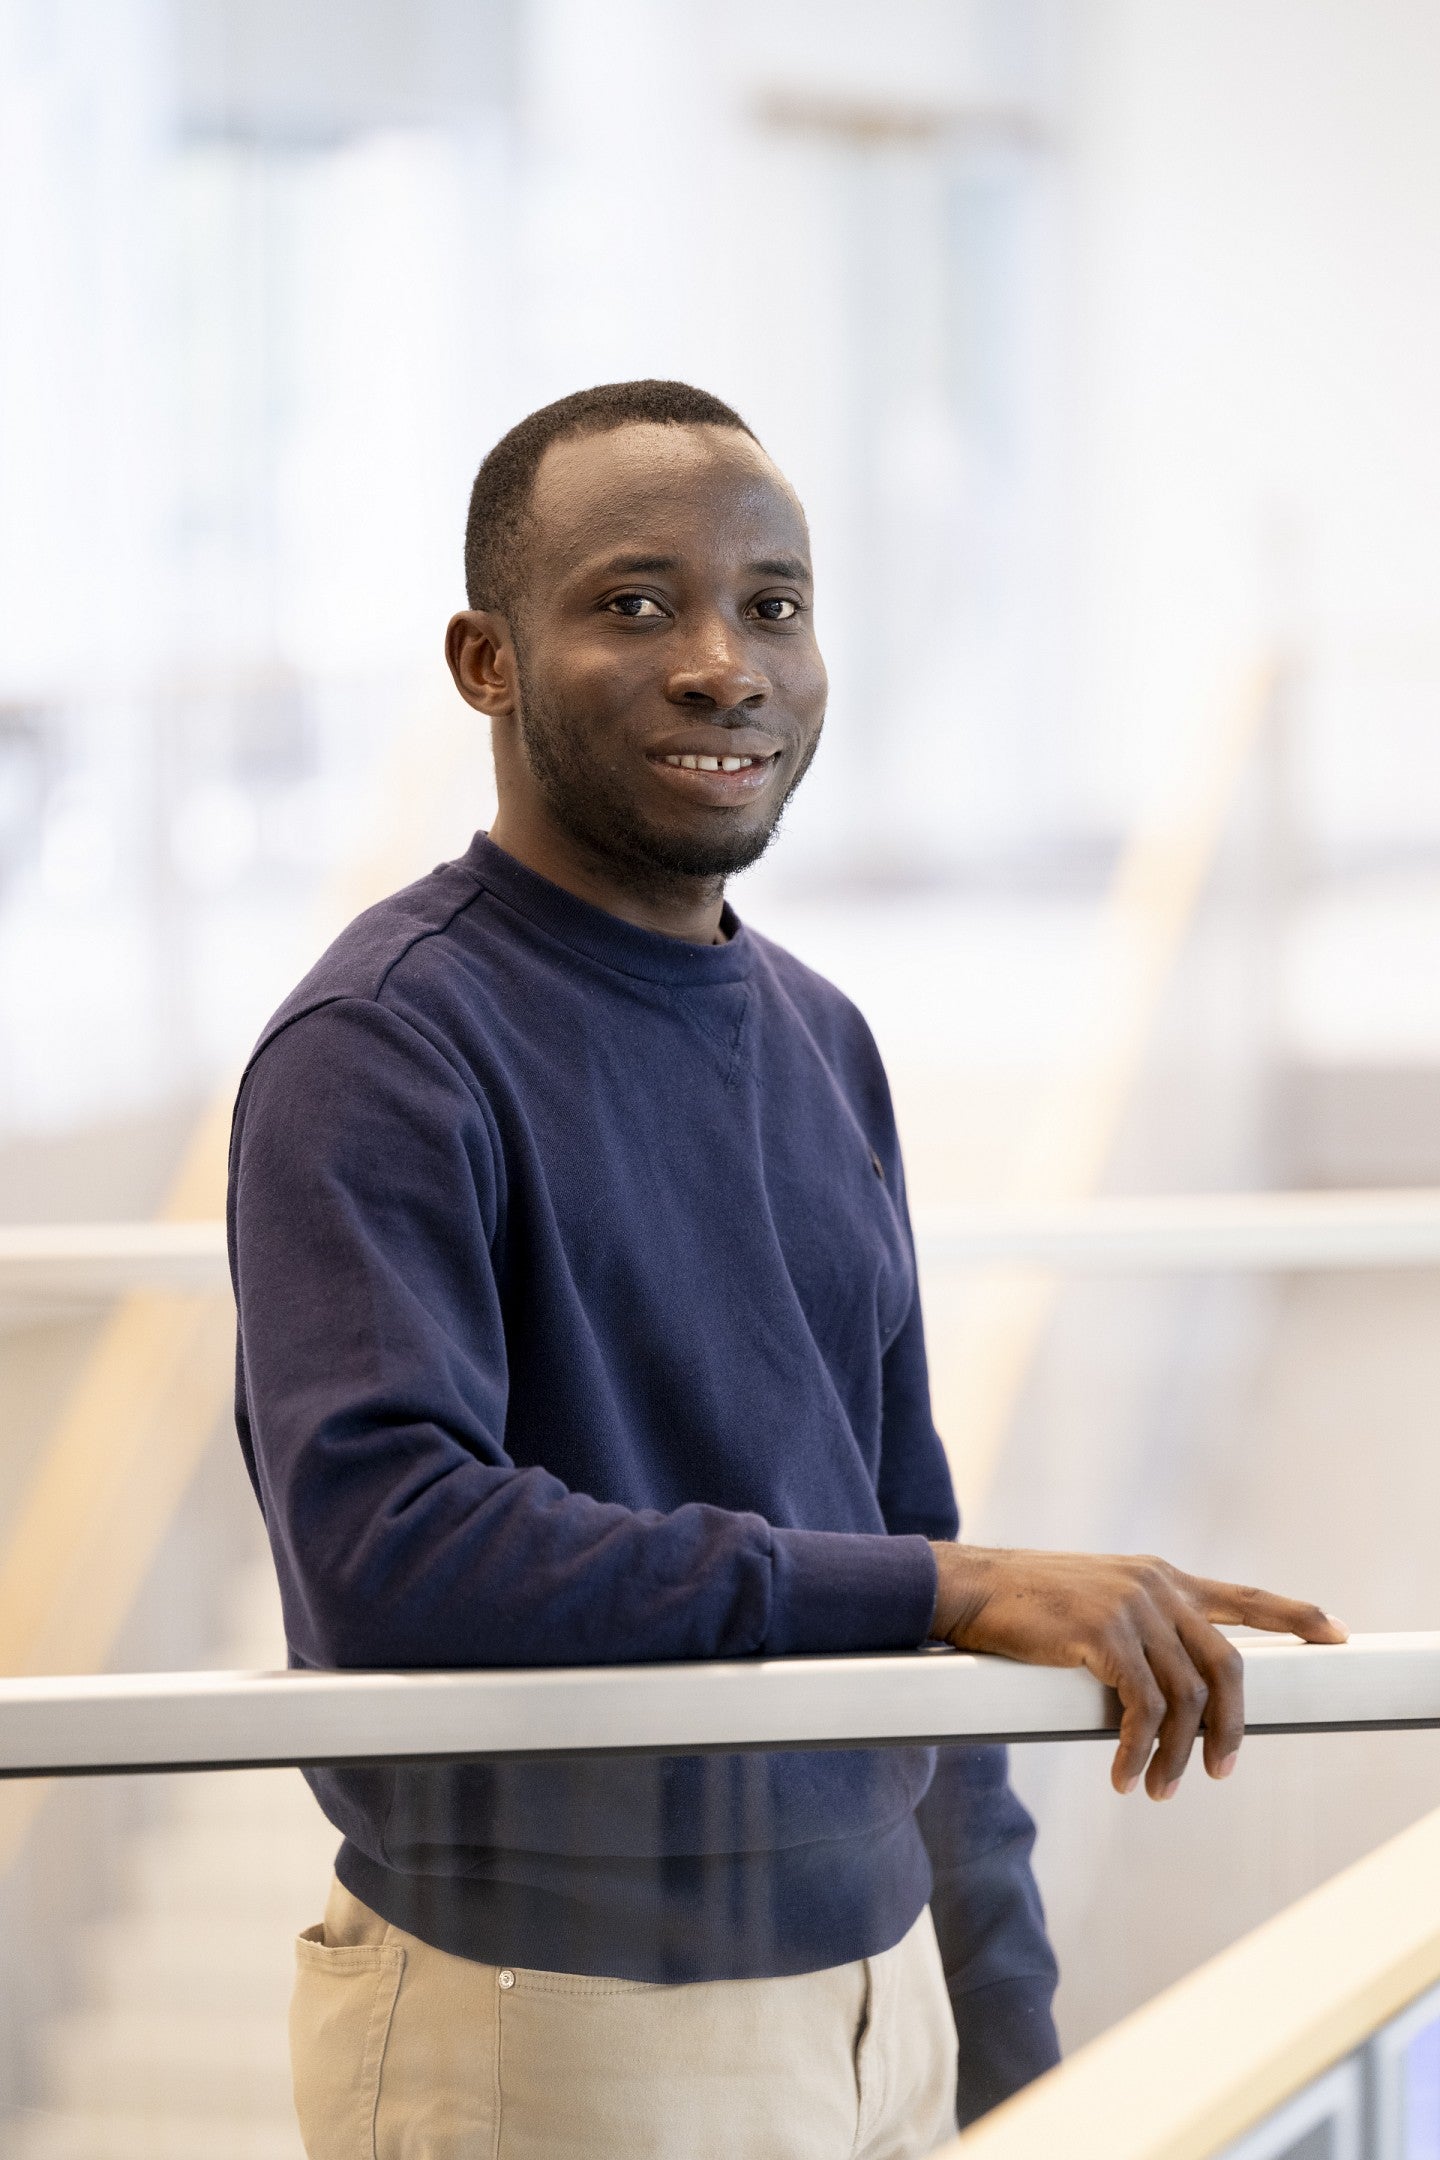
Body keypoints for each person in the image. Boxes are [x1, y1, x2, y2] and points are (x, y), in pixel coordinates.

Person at [227, 380, 1344, 2160]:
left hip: (879, 1997)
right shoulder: (383, 1044)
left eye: (773, 605)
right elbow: (391, 1552)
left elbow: (906, 1526)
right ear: (484, 660)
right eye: (632, 602)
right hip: (563, 2027)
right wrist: (932, 1587)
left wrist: (1008, 2036)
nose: (724, 664)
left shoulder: (824, 1037)